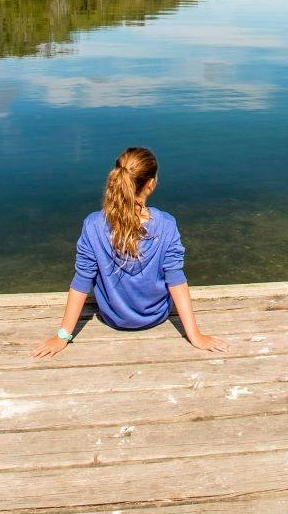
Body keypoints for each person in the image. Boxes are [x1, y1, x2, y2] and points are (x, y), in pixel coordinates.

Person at [31, 147, 226, 357]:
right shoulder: (166, 225)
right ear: (150, 184)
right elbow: (176, 280)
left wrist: (62, 336)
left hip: (113, 318)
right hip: (156, 316)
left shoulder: (93, 225)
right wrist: (195, 335)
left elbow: (82, 280)